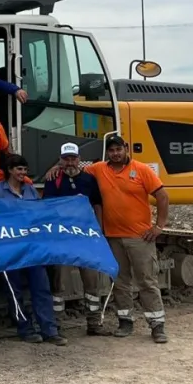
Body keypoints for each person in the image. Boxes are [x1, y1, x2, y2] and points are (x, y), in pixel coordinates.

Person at [44, 134, 170, 343]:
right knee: (119, 281)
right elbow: (69, 179)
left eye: (118, 149)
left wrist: (159, 226)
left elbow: (163, 196)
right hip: (108, 237)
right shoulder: (97, 170)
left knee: (146, 280)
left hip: (138, 236)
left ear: (126, 149)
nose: (115, 153)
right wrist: (54, 169)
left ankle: (157, 325)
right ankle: (125, 321)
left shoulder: (141, 170)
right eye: (111, 150)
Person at [0, 154, 68, 346]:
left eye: (24, 169)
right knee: (14, 292)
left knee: (42, 289)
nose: (23, 173)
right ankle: (25, 329)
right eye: (19, 169)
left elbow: (40, 215)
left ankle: (50, 330)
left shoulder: (31, 191)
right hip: (8, 249)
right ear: (10, 170)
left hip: (32, 249)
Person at [41, 142, 112, 337]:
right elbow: (48, 207)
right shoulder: (53, 179)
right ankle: (57, 325)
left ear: (79, 159)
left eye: (73, 158)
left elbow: (97, 205)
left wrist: (99, 230)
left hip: (85, 238)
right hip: (63, 239)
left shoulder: (89, 179)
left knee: (91, 281)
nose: (70, 162)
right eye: (66, 158)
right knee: (59, 283)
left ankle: (94, 323)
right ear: (60, 160)